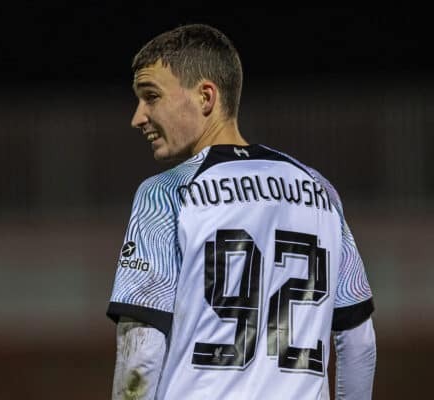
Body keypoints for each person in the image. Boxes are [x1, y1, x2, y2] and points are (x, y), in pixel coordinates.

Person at [106, 24, 376, 399]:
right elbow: (358, 341)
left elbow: (142, 350)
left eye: (151, 96)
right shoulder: (320, 190)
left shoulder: (166, 193)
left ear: (205, 97)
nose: (138, 116)